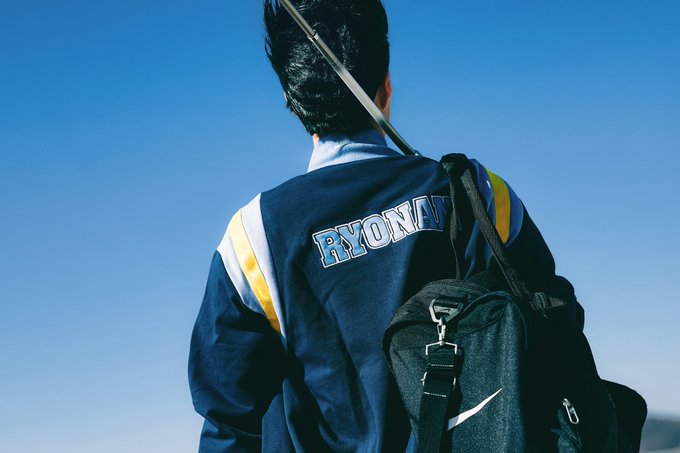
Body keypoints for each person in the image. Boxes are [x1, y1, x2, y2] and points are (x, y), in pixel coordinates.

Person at [188, 0, 577, 451]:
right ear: (387, 87)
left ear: (292, 105)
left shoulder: (252, 240)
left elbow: (228, 422)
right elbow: (559, 324)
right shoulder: (479, 194)